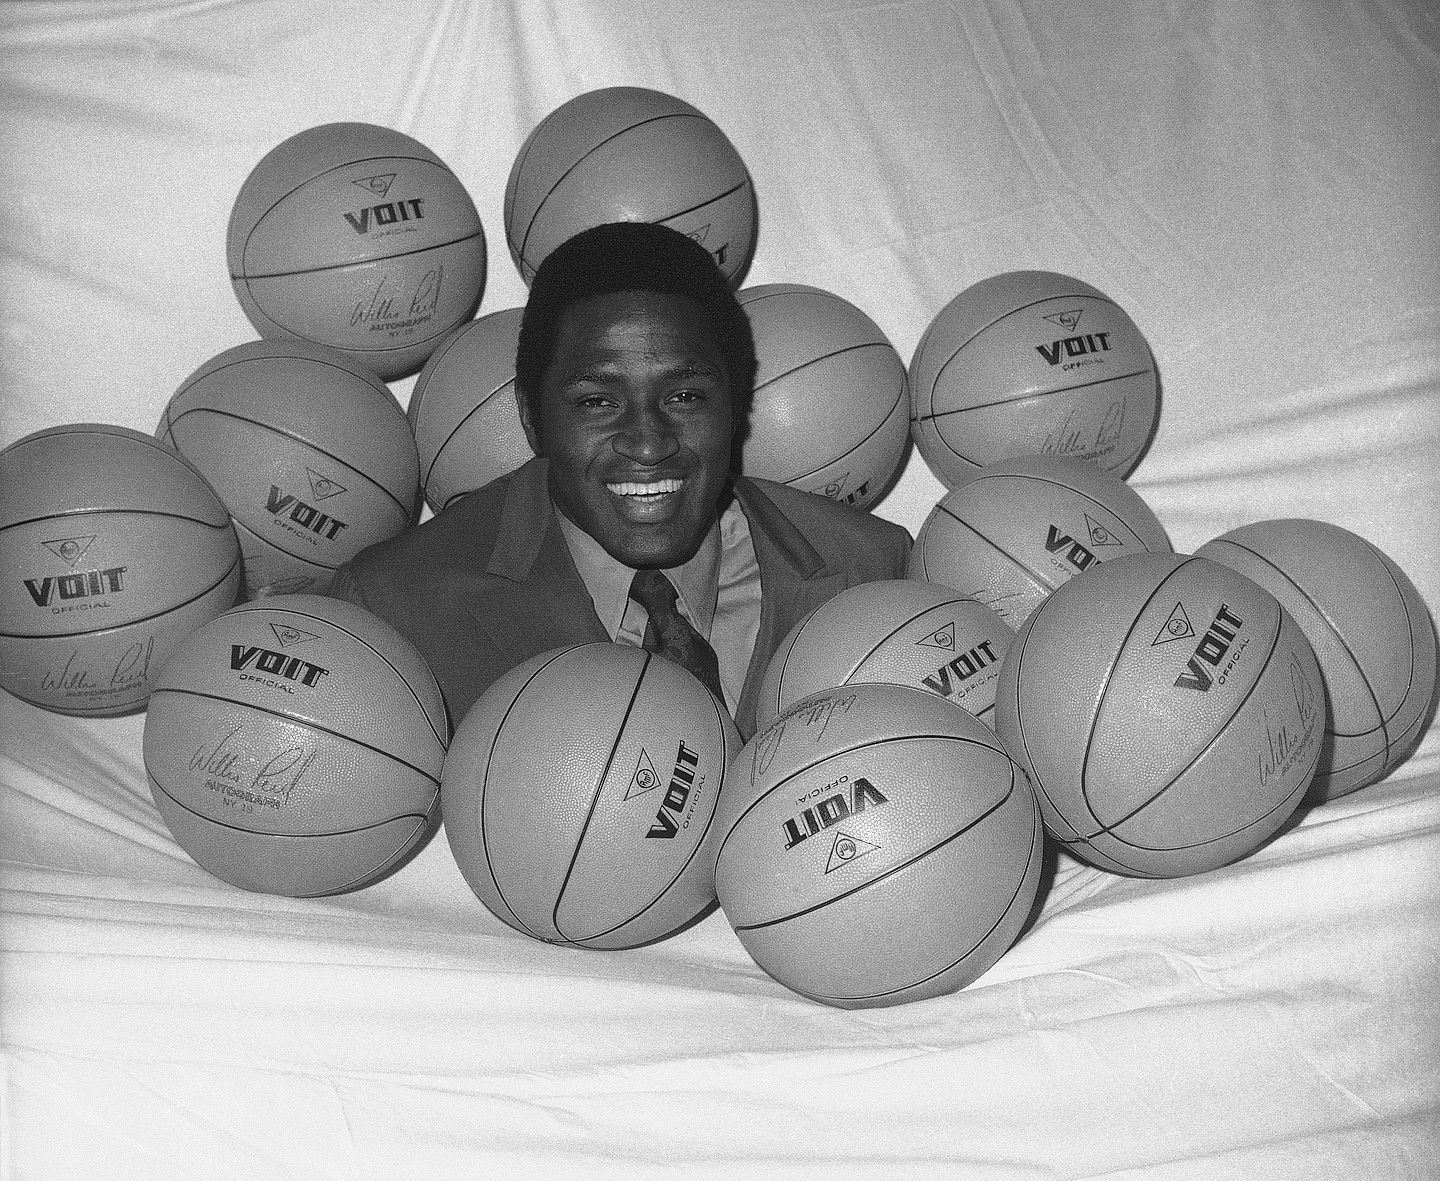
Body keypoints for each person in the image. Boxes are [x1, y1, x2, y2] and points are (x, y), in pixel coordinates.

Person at [331, 221, 911, 739]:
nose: (648, 442)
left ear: (735, 408)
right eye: (599, 402)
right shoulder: (395, 610)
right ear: (533, 419)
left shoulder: (876, 571)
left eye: (685, 396)